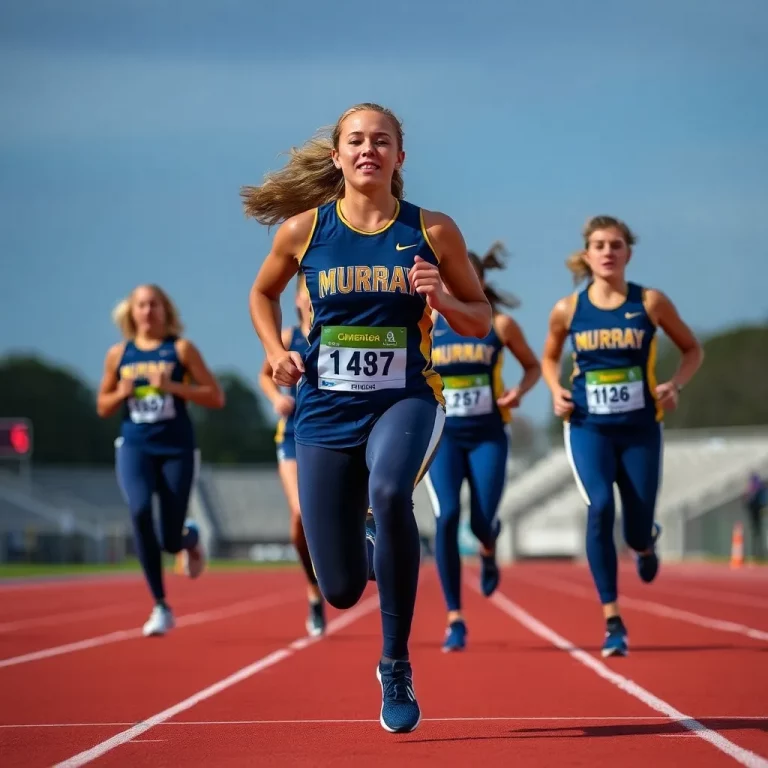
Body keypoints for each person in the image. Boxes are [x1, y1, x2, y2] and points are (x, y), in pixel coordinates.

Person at [243, 102, 492, 733]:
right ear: (337, 156)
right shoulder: (303, 231)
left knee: (389, 493)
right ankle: (370, 549)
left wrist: (439, 295)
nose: (368, 150)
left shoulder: (433, 230)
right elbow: (261, 292)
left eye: (382, 141)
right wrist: (276, 352)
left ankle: (396, 662)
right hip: (325, 410)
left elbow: (480, 318)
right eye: (356, 140)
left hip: (405, 397)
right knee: (342, 590)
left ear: (399, 157)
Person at [541, 216, 703, 658]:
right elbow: (551, 356)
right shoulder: (568, 309)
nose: (608, 251)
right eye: (599, 244)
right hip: (588, 426)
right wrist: (556, 390)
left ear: (628, 253)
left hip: (640, 430)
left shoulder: (650, 302)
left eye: (616, 244)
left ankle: (644, 542)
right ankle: (613, 619)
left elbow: (692, 348)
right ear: (588, 254)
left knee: (634, 528)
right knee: (598, 506)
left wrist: (675, 384)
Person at [425, 242, 541, 652]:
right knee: (447, 517)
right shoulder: (425, 323)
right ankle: (455, 618)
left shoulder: (501, 326)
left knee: (480, 521)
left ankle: (488, 546)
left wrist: (518, 393)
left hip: (488, 434)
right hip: (442, 436)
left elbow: (533, 366)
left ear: (480, 281)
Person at [97, 284, 225, 637]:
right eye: (141, 305)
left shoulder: (180, 350)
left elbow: (215, 396)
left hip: (176, 449)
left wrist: (173, 388)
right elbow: (103, 406)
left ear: (166, 310)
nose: (148, 310)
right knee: (138, 510)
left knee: (169, 538)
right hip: (134, 447)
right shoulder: (118, 355)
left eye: (154, 304)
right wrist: (120, 393)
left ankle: (187, 537)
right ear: (131, 312)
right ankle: (161, 606)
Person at [258, 274, 327, 637]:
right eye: (306, 295)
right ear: (298, 300)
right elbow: (265, 376)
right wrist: (276, 398)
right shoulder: (289, 337)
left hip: (330, 436)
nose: (312, 300)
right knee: (300, 515)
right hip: (292, 436)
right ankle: (314, 592)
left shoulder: (335, 331)